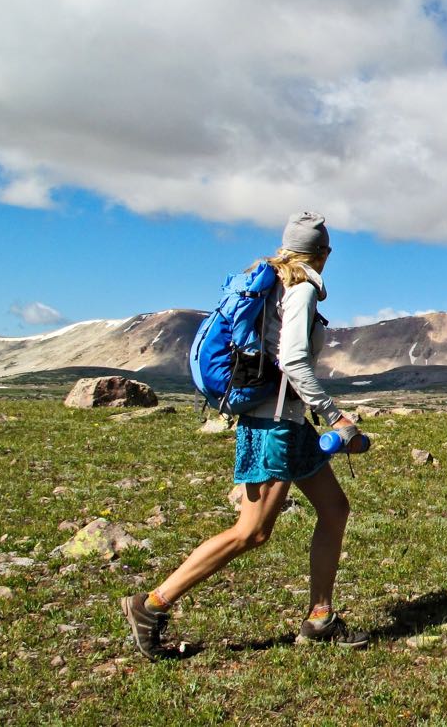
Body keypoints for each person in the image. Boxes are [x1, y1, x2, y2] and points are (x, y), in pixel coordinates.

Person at [122, 211, 369, 659]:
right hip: (275, 425)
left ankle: (319, 617)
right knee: (252, 532)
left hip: (286, 423)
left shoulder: (272, 281)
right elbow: (294, 361)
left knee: (334, 508)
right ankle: (152, 604)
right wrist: (335, 417)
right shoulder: (300, 288)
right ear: (324, 253)